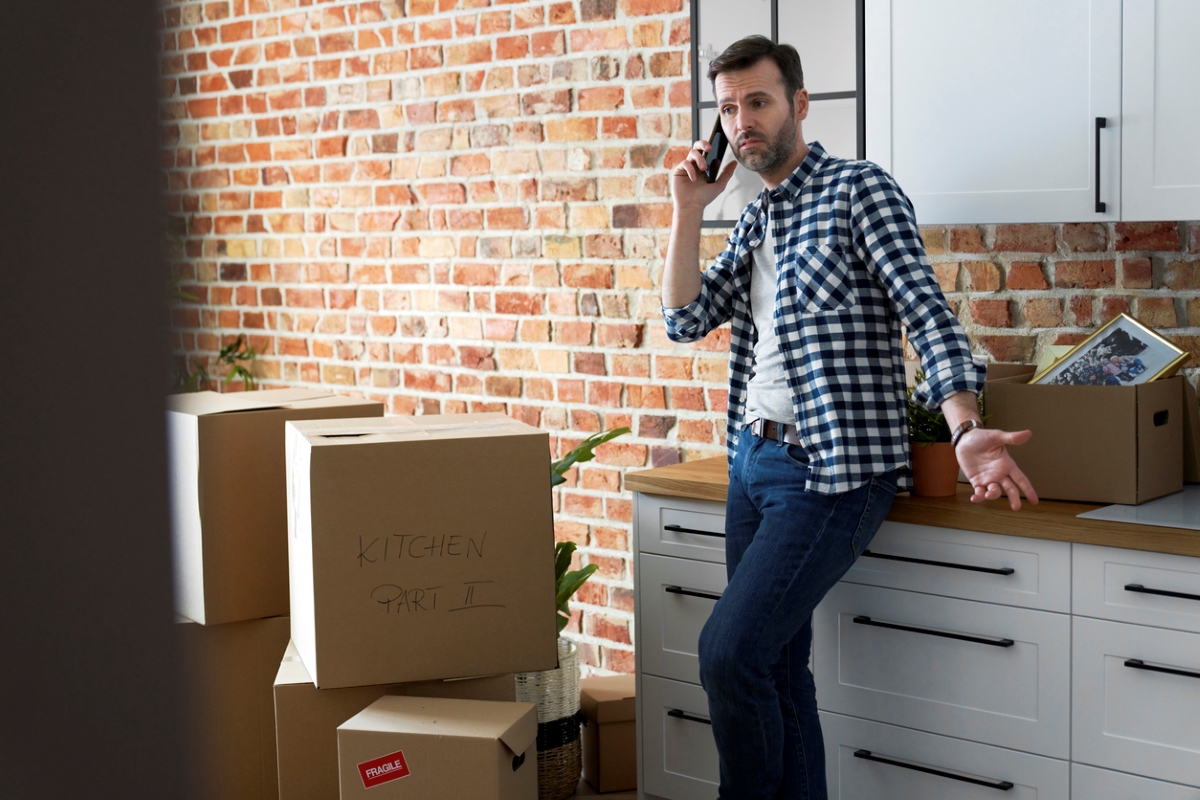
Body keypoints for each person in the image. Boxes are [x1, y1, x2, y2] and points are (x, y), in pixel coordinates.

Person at [660, 35, 1039, 800]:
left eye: (758, 102)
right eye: (728, 109)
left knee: (729, 656)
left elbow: (924, 312)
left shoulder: (859, 190)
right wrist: (687, 211)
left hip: (828, 473)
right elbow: (684, 317)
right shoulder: (756, 220)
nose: (742, 122)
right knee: (773, 667)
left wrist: (963, 428)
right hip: (751, 465)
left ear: (799, 104)